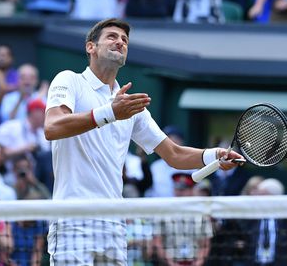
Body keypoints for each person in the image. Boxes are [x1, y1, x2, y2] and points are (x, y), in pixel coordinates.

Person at [44, 18, 242, 265]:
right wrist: (110, 113)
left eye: (125, 40)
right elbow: (52, 127)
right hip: (73, 219)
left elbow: (174, 154)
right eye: (112, 36)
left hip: (113, 223)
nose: (120, 42)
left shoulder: (130, 107)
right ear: (90, 47)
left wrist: (214, 156)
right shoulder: (69, 81)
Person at [152, 173, 213, 265]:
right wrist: (170, 263)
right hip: (170, 262)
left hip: (194, 262)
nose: (179, 192)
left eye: (184, 189)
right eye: (177, 188)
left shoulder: (201, 213)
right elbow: (157, 241)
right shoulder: (163, 211)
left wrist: (197, 263)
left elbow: (205, 244)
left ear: (192, 190)